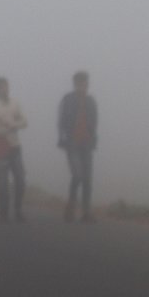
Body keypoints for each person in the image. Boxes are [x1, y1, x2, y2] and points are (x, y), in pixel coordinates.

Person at [58, 71, 98, 222]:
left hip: (87, 142)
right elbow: (61, 120)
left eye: (85, 83)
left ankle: (86, 212)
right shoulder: (68, 99)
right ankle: (71, 207)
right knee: (78, 175)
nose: (83, 86)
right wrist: (61, 138)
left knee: (88, 178)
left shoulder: (91, 101)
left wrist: (94, 139)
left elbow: (95, 121)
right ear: (75, 84)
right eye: (80, 83)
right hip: (72, 142)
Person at [0, 77, 28, 222]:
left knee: (21, 180)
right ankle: (3, 213)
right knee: (2, 184)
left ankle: (18, 209)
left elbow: (25, 122)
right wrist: (11, 126)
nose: (4, 89)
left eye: (6, 86)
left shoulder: (15, 103)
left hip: (15, 146)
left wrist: (10, 125)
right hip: (1, 147)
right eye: (1, 87)